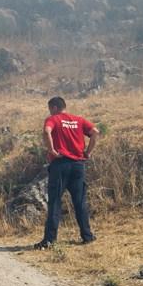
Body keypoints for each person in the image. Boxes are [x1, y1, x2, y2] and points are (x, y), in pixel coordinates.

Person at [34, 96, 99, 250]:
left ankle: (49, 241)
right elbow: (96, 132)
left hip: (60, 164)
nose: (50, 111)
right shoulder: (79, 120)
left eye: (50, 108)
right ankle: (87, 236)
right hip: (78, 165)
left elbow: (46, 132)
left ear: (54, 107)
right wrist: (88, 152)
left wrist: (51, 150)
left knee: (55, 202)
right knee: (80, 202)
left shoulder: (53, 119)